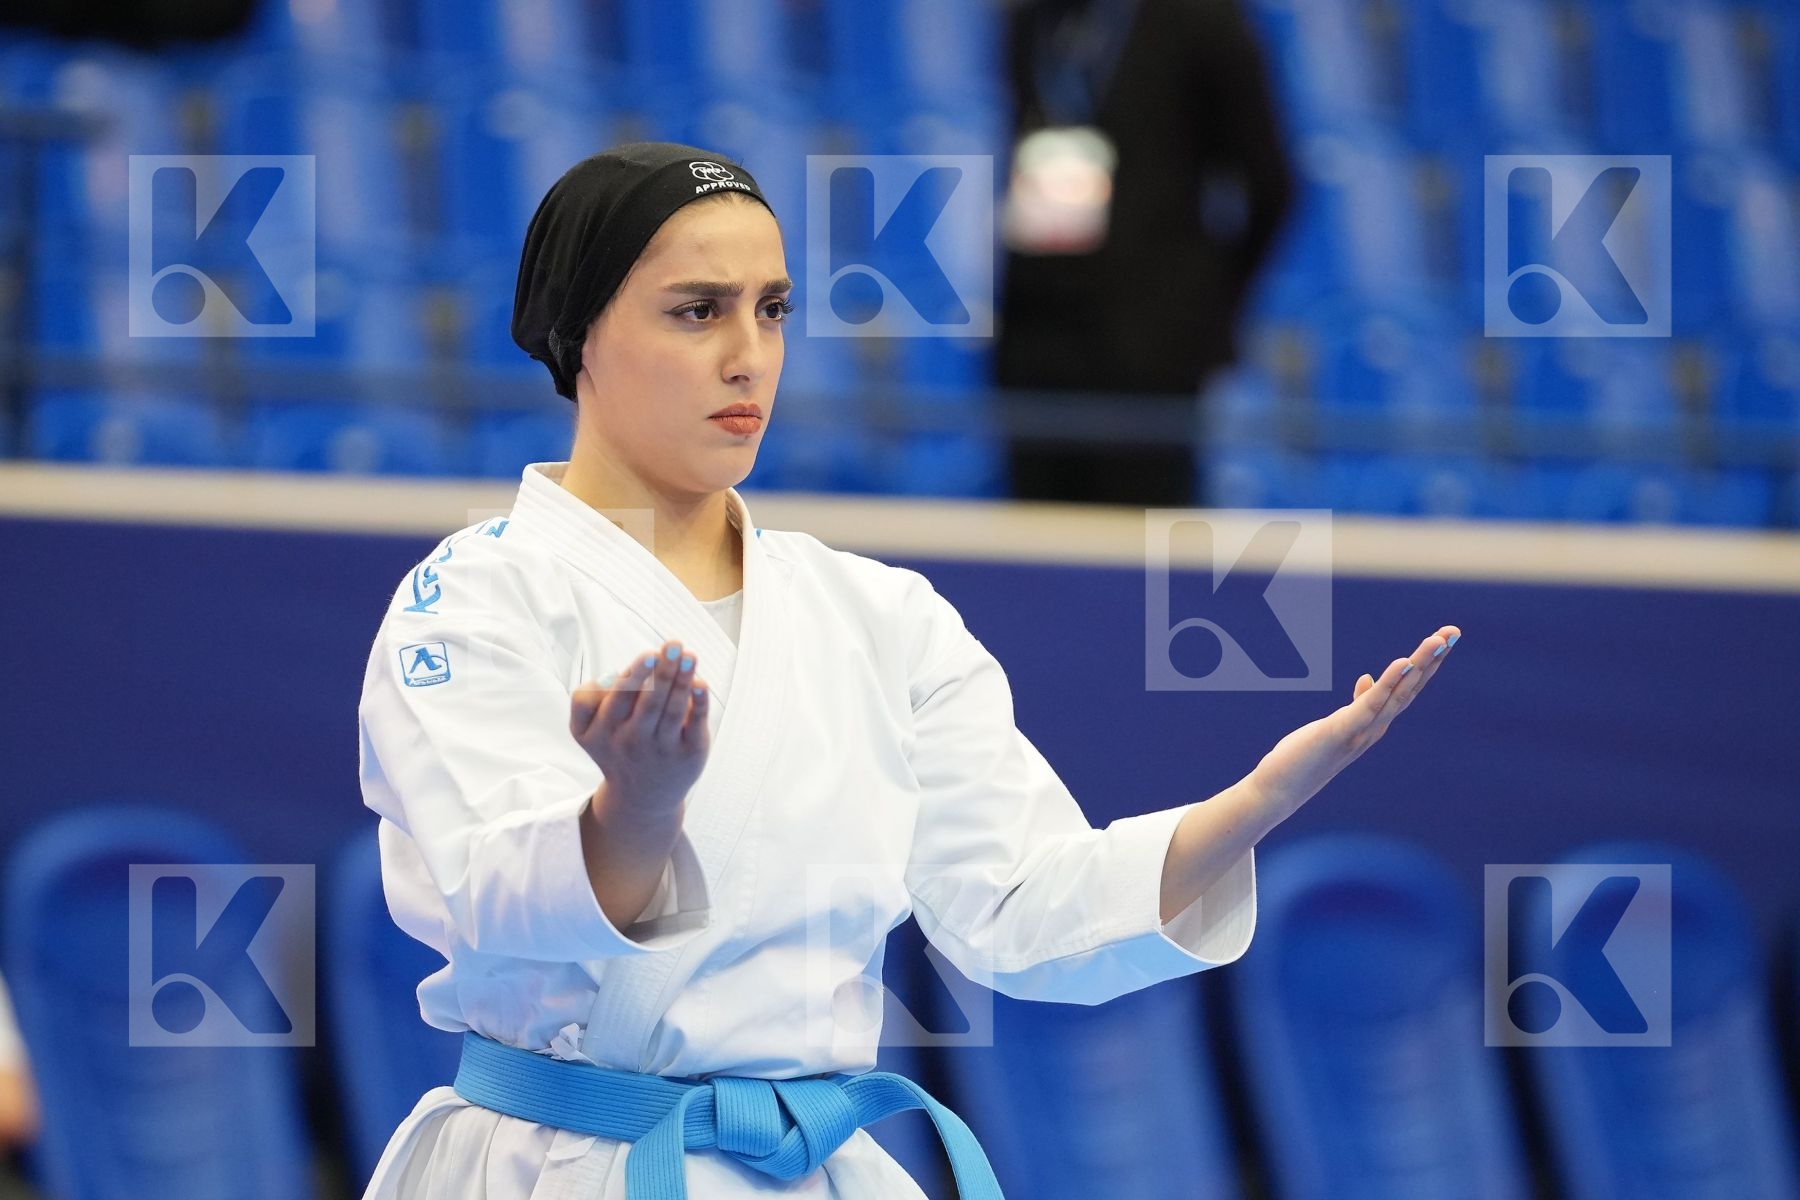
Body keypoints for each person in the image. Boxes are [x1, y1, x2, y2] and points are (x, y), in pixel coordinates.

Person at [355, 141, 1459, 1199]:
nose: (749, 353)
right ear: (576, 332)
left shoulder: (878, 615)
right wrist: (632, 811)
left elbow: (1021, 911)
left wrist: (1253, 803)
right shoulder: (473, 601)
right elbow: (495, 895)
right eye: (698, 310)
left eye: (772, 308)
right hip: (562, 1166)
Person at [995, 0, 1295, 506]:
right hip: (1037, 342)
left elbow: (1270, 186)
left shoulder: (1203, 22)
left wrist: (1201, 303)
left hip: (1150, 353)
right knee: (1037, 557)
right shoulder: (1034, 19)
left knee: (1141, 563)